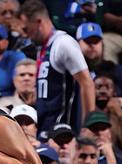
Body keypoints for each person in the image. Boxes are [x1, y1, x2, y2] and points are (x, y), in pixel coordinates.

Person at [20, 0, 95, 134]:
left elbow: (86, 83)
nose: (25, 35)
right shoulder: (42, 47)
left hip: (62, 132)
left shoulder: (64, 43)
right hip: (45, 127)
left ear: (38, 22)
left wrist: (88, 126)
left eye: (26, 29)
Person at [76, 22, 122, 110]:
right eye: (87, 41)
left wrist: (112, 101)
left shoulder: (116, 70)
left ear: (102, 45)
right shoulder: (70, 73)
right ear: (77, 44)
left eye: (96, 41)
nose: (92, 45)